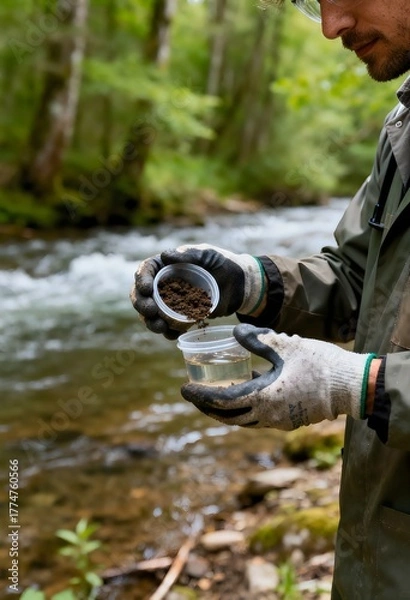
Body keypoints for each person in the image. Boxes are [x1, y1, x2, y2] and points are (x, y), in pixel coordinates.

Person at [131, 0, 410, 598]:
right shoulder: (404, 130)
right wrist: (250, 281)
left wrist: (361, 386)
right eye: (315, 3)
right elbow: (363, 279)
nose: (332, 27)